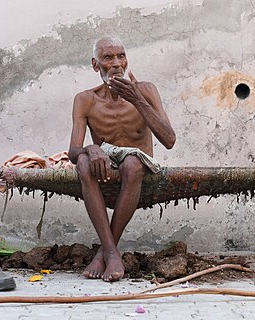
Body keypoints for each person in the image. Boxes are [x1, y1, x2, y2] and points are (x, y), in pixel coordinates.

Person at [68, 36, 176, 282]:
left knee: (132, 162)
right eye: (108, 58)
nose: (117, 63)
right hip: (105, 165)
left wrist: (136, 98)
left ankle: (106, 252)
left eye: (121, 56)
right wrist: (90, 149)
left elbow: (169, 140)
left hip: (139, 166)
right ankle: (111, 252)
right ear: (96, 65)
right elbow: (73, 152)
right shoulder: (85, 99)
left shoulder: (146, 90)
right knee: (84, 161)